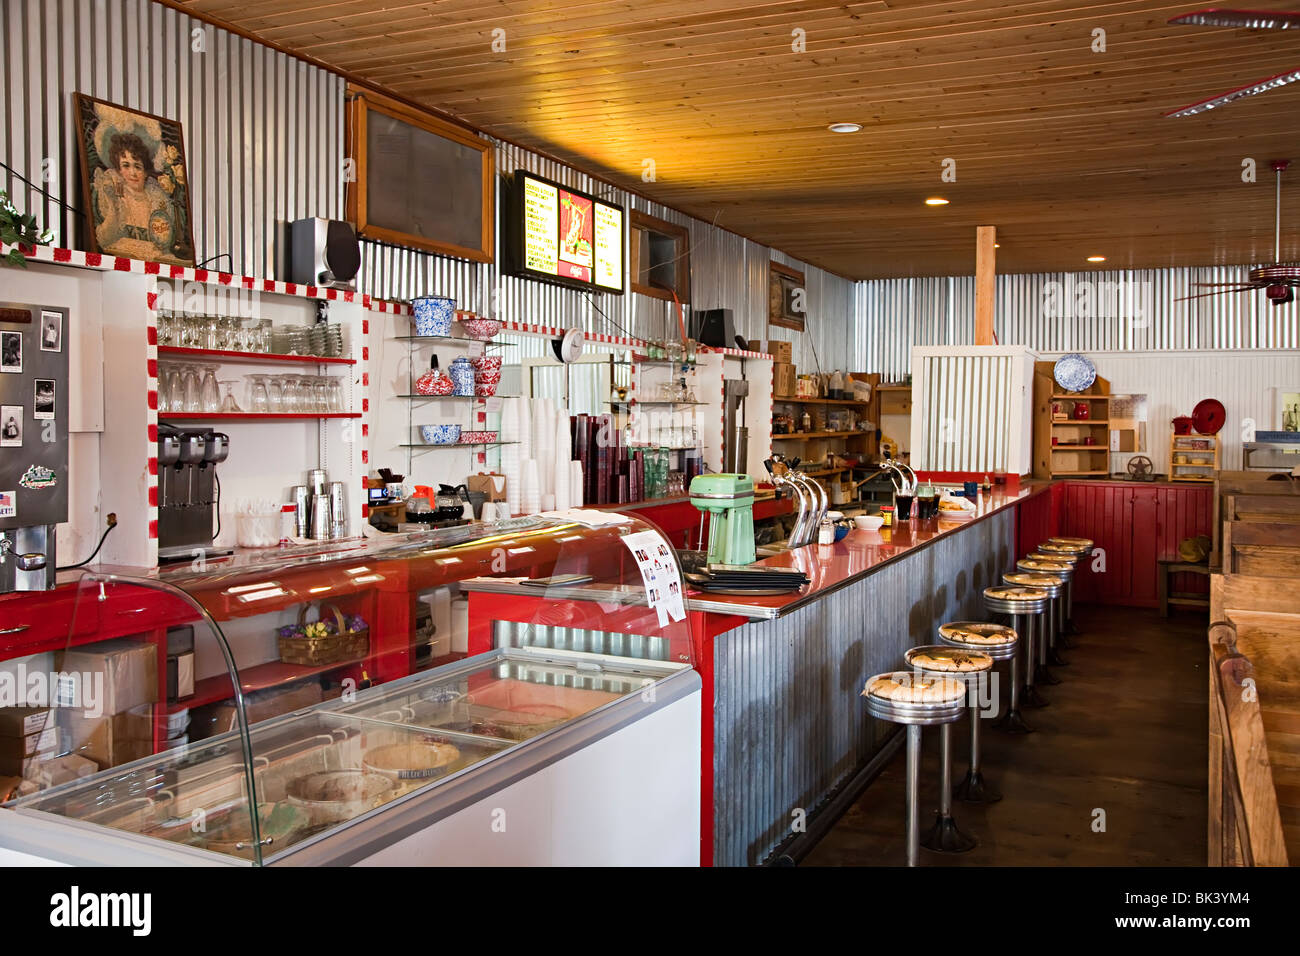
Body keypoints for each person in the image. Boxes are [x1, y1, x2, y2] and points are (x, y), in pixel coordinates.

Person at [92, 132, 176, 261]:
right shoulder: (113, 195)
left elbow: (164, 244)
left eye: (138, 167)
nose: (133, 173)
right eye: (126, 165)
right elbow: (105, 241)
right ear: (119, 169)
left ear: (146, 171)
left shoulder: (158, 200)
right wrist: (115, 206)